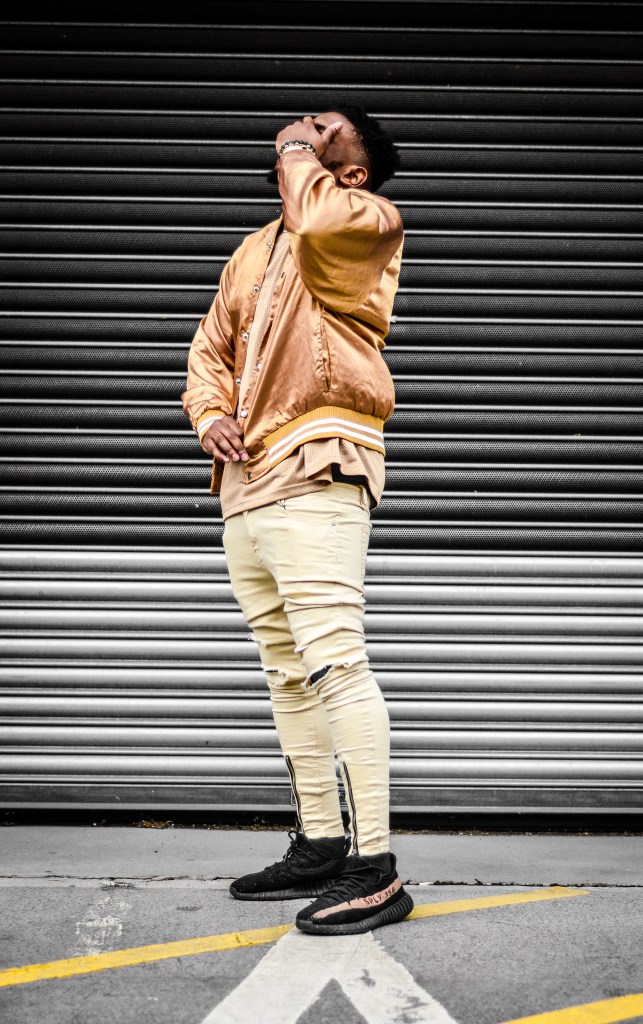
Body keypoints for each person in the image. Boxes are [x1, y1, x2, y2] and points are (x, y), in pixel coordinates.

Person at [181, 106, 412, 935]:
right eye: (301, 125)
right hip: (245, 481)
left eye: (324, 128)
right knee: (285, 671)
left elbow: (314, 221)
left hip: (319, 458)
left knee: (334, 661)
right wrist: (209, 413)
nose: (303, 126)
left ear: (350, 170)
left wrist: (293, 149)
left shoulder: (365, 219)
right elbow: (210, 346)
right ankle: (319, 842)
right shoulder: (253, 248)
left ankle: (374, 869)